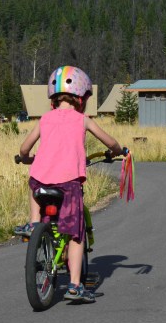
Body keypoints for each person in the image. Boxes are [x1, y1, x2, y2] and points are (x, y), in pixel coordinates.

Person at [15, 66, 125, 303]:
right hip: (68, 184)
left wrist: (25, 158)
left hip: (40, 182)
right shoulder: (83, 120)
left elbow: (24, 149)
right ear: (80, 97)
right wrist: (117, 150)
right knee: (75, 233)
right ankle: (75, 286)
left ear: (53, 98)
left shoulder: (44, 119)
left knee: (34, 183)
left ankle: (34, 224)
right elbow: (110, 141)